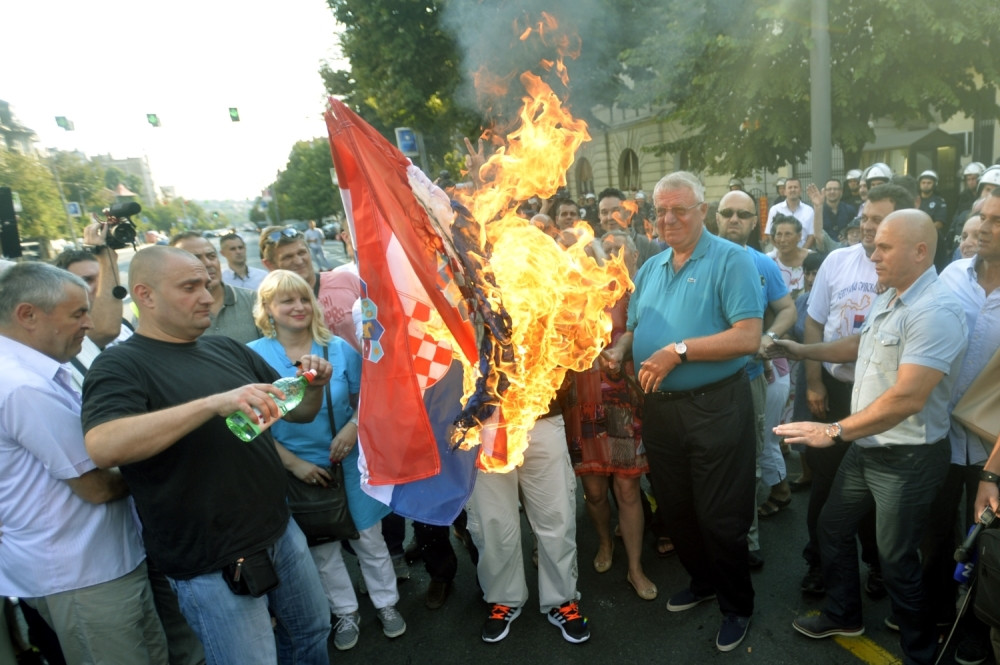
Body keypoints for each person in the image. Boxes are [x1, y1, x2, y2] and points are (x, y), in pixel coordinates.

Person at [81, 246, 334, 665]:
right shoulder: (120, 366)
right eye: (189, 287)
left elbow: (300, 414)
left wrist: (315, 385)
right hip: (210, 561)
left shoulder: (225, 349)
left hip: (278, 530)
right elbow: (103, 444)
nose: (205, 295)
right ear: (145, 295)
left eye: (205, 283)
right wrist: (210, 405)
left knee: (310, 634)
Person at [775, 210, 967, 665]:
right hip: (868, 449)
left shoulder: (936, 311)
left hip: (910, 457)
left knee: (897, 559)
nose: (872, 253)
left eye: (884, 247)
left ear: (920, 251)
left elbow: (907, 399)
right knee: (833, 527)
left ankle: (919, 652)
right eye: (874, 244)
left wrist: (834, 430)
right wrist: (804, 351)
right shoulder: (893, 295)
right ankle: (844, 613)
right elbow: (860, 343)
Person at [603, 171, 764, 653]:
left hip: (715, 407)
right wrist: (620, 349)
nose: (669, 219)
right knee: (676, 509)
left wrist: (679, 349)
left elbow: (748, 338)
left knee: (720, 515)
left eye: (680, 210)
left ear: (702, 212)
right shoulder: (652, 267)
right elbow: (633, 328)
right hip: (661, 410)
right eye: (661, 211)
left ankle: (737, 605)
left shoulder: (730, 260)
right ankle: (703, 582)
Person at [0, 262, 168, 664]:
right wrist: (159, 457)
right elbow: (96, 486)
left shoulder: (26, 374)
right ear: (28, 315)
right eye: (78, 313)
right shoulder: (22, 386)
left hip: (95, 565)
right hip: (84, 575)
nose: (89, 324)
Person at [247, 270, 404, 651]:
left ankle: (386, 603)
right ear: (268, 308)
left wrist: (352, 427)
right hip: (296, 466)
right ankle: (345, 612)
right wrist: (292, 464)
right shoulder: (253, 355)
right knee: (322, 547)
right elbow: (253, 425)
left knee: (369, 537)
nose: (299, 306)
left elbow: (368, 396)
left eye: (304, 298)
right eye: (287, 300)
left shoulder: (338, 349)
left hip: (348, 459)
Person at [795, 183, 913, 598]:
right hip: (834, 391)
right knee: (826, 488)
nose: (867, 227)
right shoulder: (836, 262)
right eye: (865, 217)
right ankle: (820, 565)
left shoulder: (906, 271)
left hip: (882, 397)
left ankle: (879, 566)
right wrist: (813, 381)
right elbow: (813, 323)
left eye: (878, 220)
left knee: (878, 493)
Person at [466, 382, 590, 645]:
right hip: (483, 420)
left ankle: (562, 599)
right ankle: (503, 598)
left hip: (540, 412)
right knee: (493, 520)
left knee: (556, 514)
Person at [567, 230, 655, 600]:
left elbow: (636, 334)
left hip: (621, 403)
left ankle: (635, 567)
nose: (610, 258)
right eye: (605, 250)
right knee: (594, 491)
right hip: (582, 403)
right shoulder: (571, 296)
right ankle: (605, 543)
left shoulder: (632, 294)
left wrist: (620, 349)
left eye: (618, 250)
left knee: (627, 488)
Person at [260, 226, 361, 353]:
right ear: (269, 264)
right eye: (287, 257)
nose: (298, 261)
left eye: (301, 253)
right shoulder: (273, 305)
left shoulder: (347, 281)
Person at [170, 232, 260, 344]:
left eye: (211, 256)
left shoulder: (253, 301)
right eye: (195, 258)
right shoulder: (172, 314)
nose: (207, 263)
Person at [597, 187, 660, 270]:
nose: (610, 217)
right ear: (599, 217)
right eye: (604, 212)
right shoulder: (595, 248)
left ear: (627, 213)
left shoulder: (648, 246)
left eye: (616, 211)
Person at [766, 214, 812, 299]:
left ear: (799, 236)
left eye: (788, 234)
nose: (783, 240)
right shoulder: (767, 261)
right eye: (779, 234)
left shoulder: (812, 258)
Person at [806, 178, 857, 249]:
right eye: (829, 189)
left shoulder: (849, 210)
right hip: (824, 249)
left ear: (841, 191)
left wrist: (848, 237)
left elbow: (856, 230)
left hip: (846, 247)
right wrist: (818, 206)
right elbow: (816, 235)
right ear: (825, 192)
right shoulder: (818, 210)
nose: (832, 192)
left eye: (835, 189)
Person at [765, 178, 815, 249]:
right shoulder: (775, 209)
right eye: (790, 187)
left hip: (803, 253)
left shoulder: (809, 210)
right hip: (780, 253)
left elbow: (811, 235)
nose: (793, 190)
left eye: (795, 187)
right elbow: (770, 234)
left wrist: (801, 253)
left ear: (800, 191)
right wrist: (782, 251)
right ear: (785, 191)